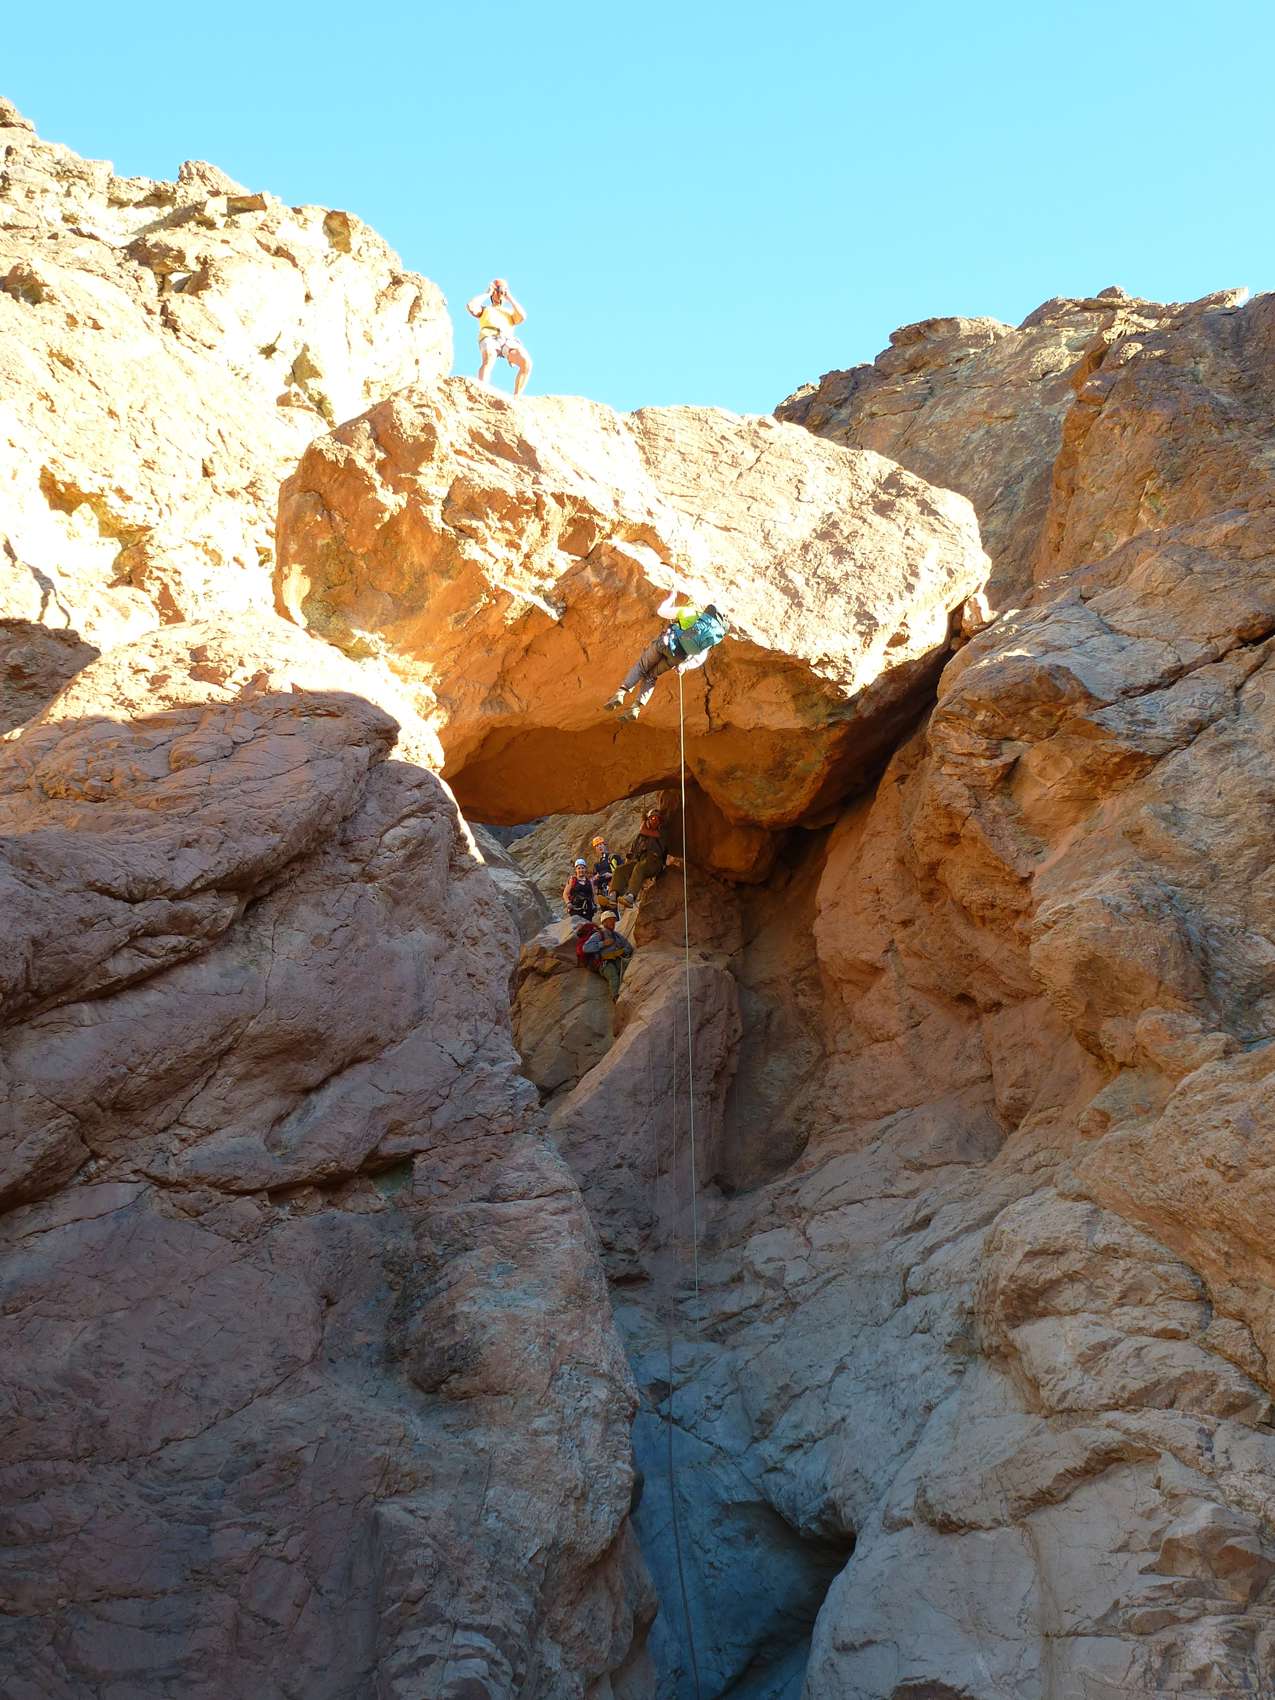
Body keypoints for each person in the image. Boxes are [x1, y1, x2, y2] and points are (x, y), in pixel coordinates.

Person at [603, 592, 728, 720]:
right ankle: (636, 708)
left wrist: (671, 598)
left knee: (642, 667)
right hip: (678, 657)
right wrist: (685, 666)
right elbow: (701, 656)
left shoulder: (687, 611)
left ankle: (621, 693)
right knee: (651, 676)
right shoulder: (704, 629)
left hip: (664, 644)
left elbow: (661, 611)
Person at [466, 277, 532, 394]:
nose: (499, 292)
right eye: (498, 289)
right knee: (489, 359)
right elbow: (471, 306)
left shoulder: (510, 313)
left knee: (526, 363)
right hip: (489, 336)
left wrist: (509, 296)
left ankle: (517, 397)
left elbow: (523, 316)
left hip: (507, 339)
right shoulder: (485, 309)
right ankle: (482, 391)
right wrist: (487, 293)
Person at [609, 808, 668, 906]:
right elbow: (633, 851)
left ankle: (631, 897)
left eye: (657, 819)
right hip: (641, 860)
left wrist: (644, 820)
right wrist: (627, 865)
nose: (655, 820)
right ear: (649, 820)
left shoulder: (661, 833)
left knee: (639, 867)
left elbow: (642, 830)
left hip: (655, 862)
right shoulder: (641, 838)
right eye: (652, 818)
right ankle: (613, 895)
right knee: (620, 870)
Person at [581, 909, 634, 1000]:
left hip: (617, 959)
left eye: (614, 920)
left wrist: (622, 951)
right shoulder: (598, 935)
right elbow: (586, 948)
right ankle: (616, 997)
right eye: (610, 920)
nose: (613, 922)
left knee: (628, 967)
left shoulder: (616, 935)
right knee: (613, 976)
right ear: (604, 922)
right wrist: (603, 944)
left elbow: (628, 946)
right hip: (604, 963)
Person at [563, 857, 597, 921]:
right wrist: (568, 903)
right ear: (576, 870)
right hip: (575, 909)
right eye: (579, 868)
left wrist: (594, 904)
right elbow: (565, 893)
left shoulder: (589, 881)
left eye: (582, 868)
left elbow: (593, 894)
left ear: (585, 869)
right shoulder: (572, 880)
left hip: (588, 910)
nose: (581, 870)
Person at [590, 835, 621, 899]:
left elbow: (623, 872)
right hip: (602, 891)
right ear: (595, 849)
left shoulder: (613, 857)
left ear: (604, 845)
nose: (599, 847)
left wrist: (611, 875)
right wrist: (595, 878)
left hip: (614, 887)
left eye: (600, 844)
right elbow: (593, 880)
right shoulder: (597, 864)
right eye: (597, 846)